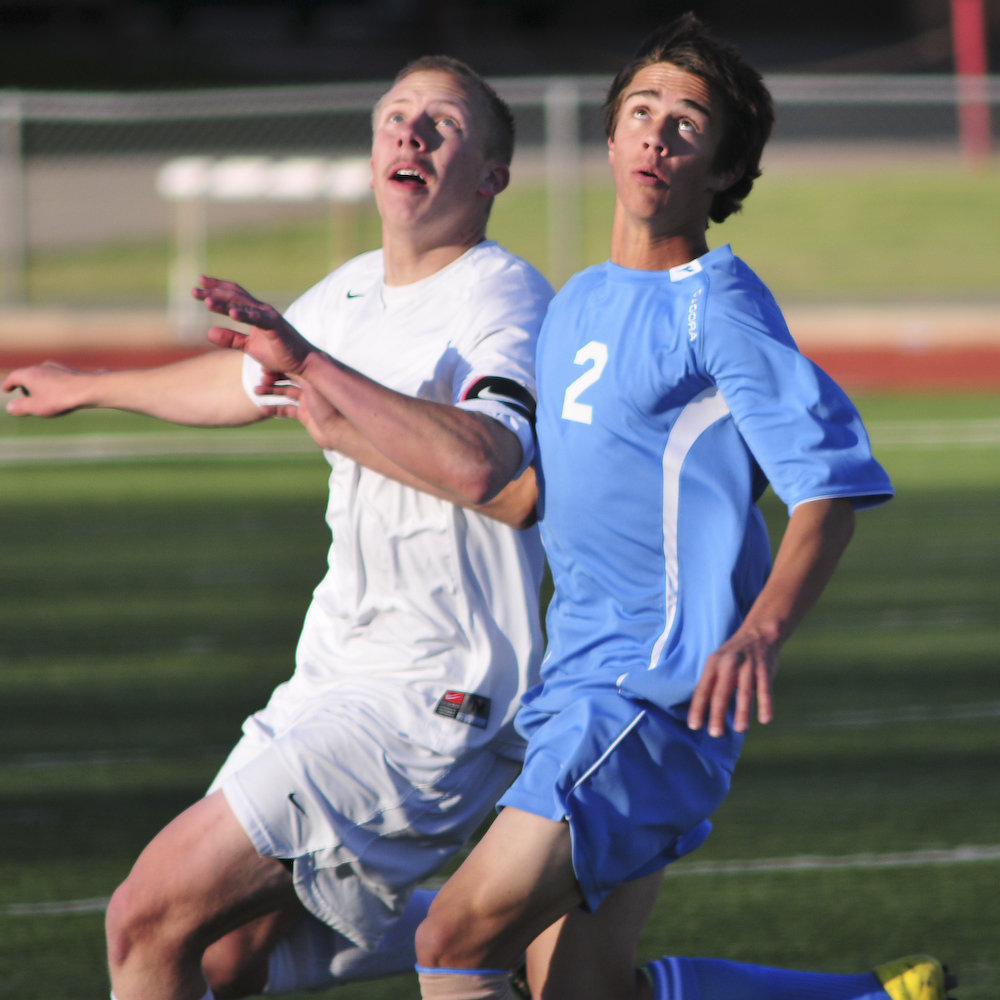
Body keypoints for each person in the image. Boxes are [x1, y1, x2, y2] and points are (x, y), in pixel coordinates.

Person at [412, 15, 954, 1000]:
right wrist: (331, 401)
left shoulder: (719, 303)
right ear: (611, 135)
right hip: (575, 684)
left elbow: (825, 484)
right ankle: (865, 998)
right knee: (580, 989)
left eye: (686, 124)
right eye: (642, 112)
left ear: (721, 168)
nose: (657, 135)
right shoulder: (575, 300)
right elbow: (541, 494)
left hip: (650, 694)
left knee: (457, 935)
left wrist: (761, 631)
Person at [3, 56, 553, 1000]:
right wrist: (87, 384)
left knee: (145, 914)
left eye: (442, 125)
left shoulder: (503, 298)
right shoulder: (347, 293)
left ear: (491, 176)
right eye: (395, 116)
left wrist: (311, 365)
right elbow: (245, 382)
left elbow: (484, 465)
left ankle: (503, 926)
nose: (410, 134)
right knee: (224, 957)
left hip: (431, 688)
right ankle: (510, 929)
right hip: (330, 672)